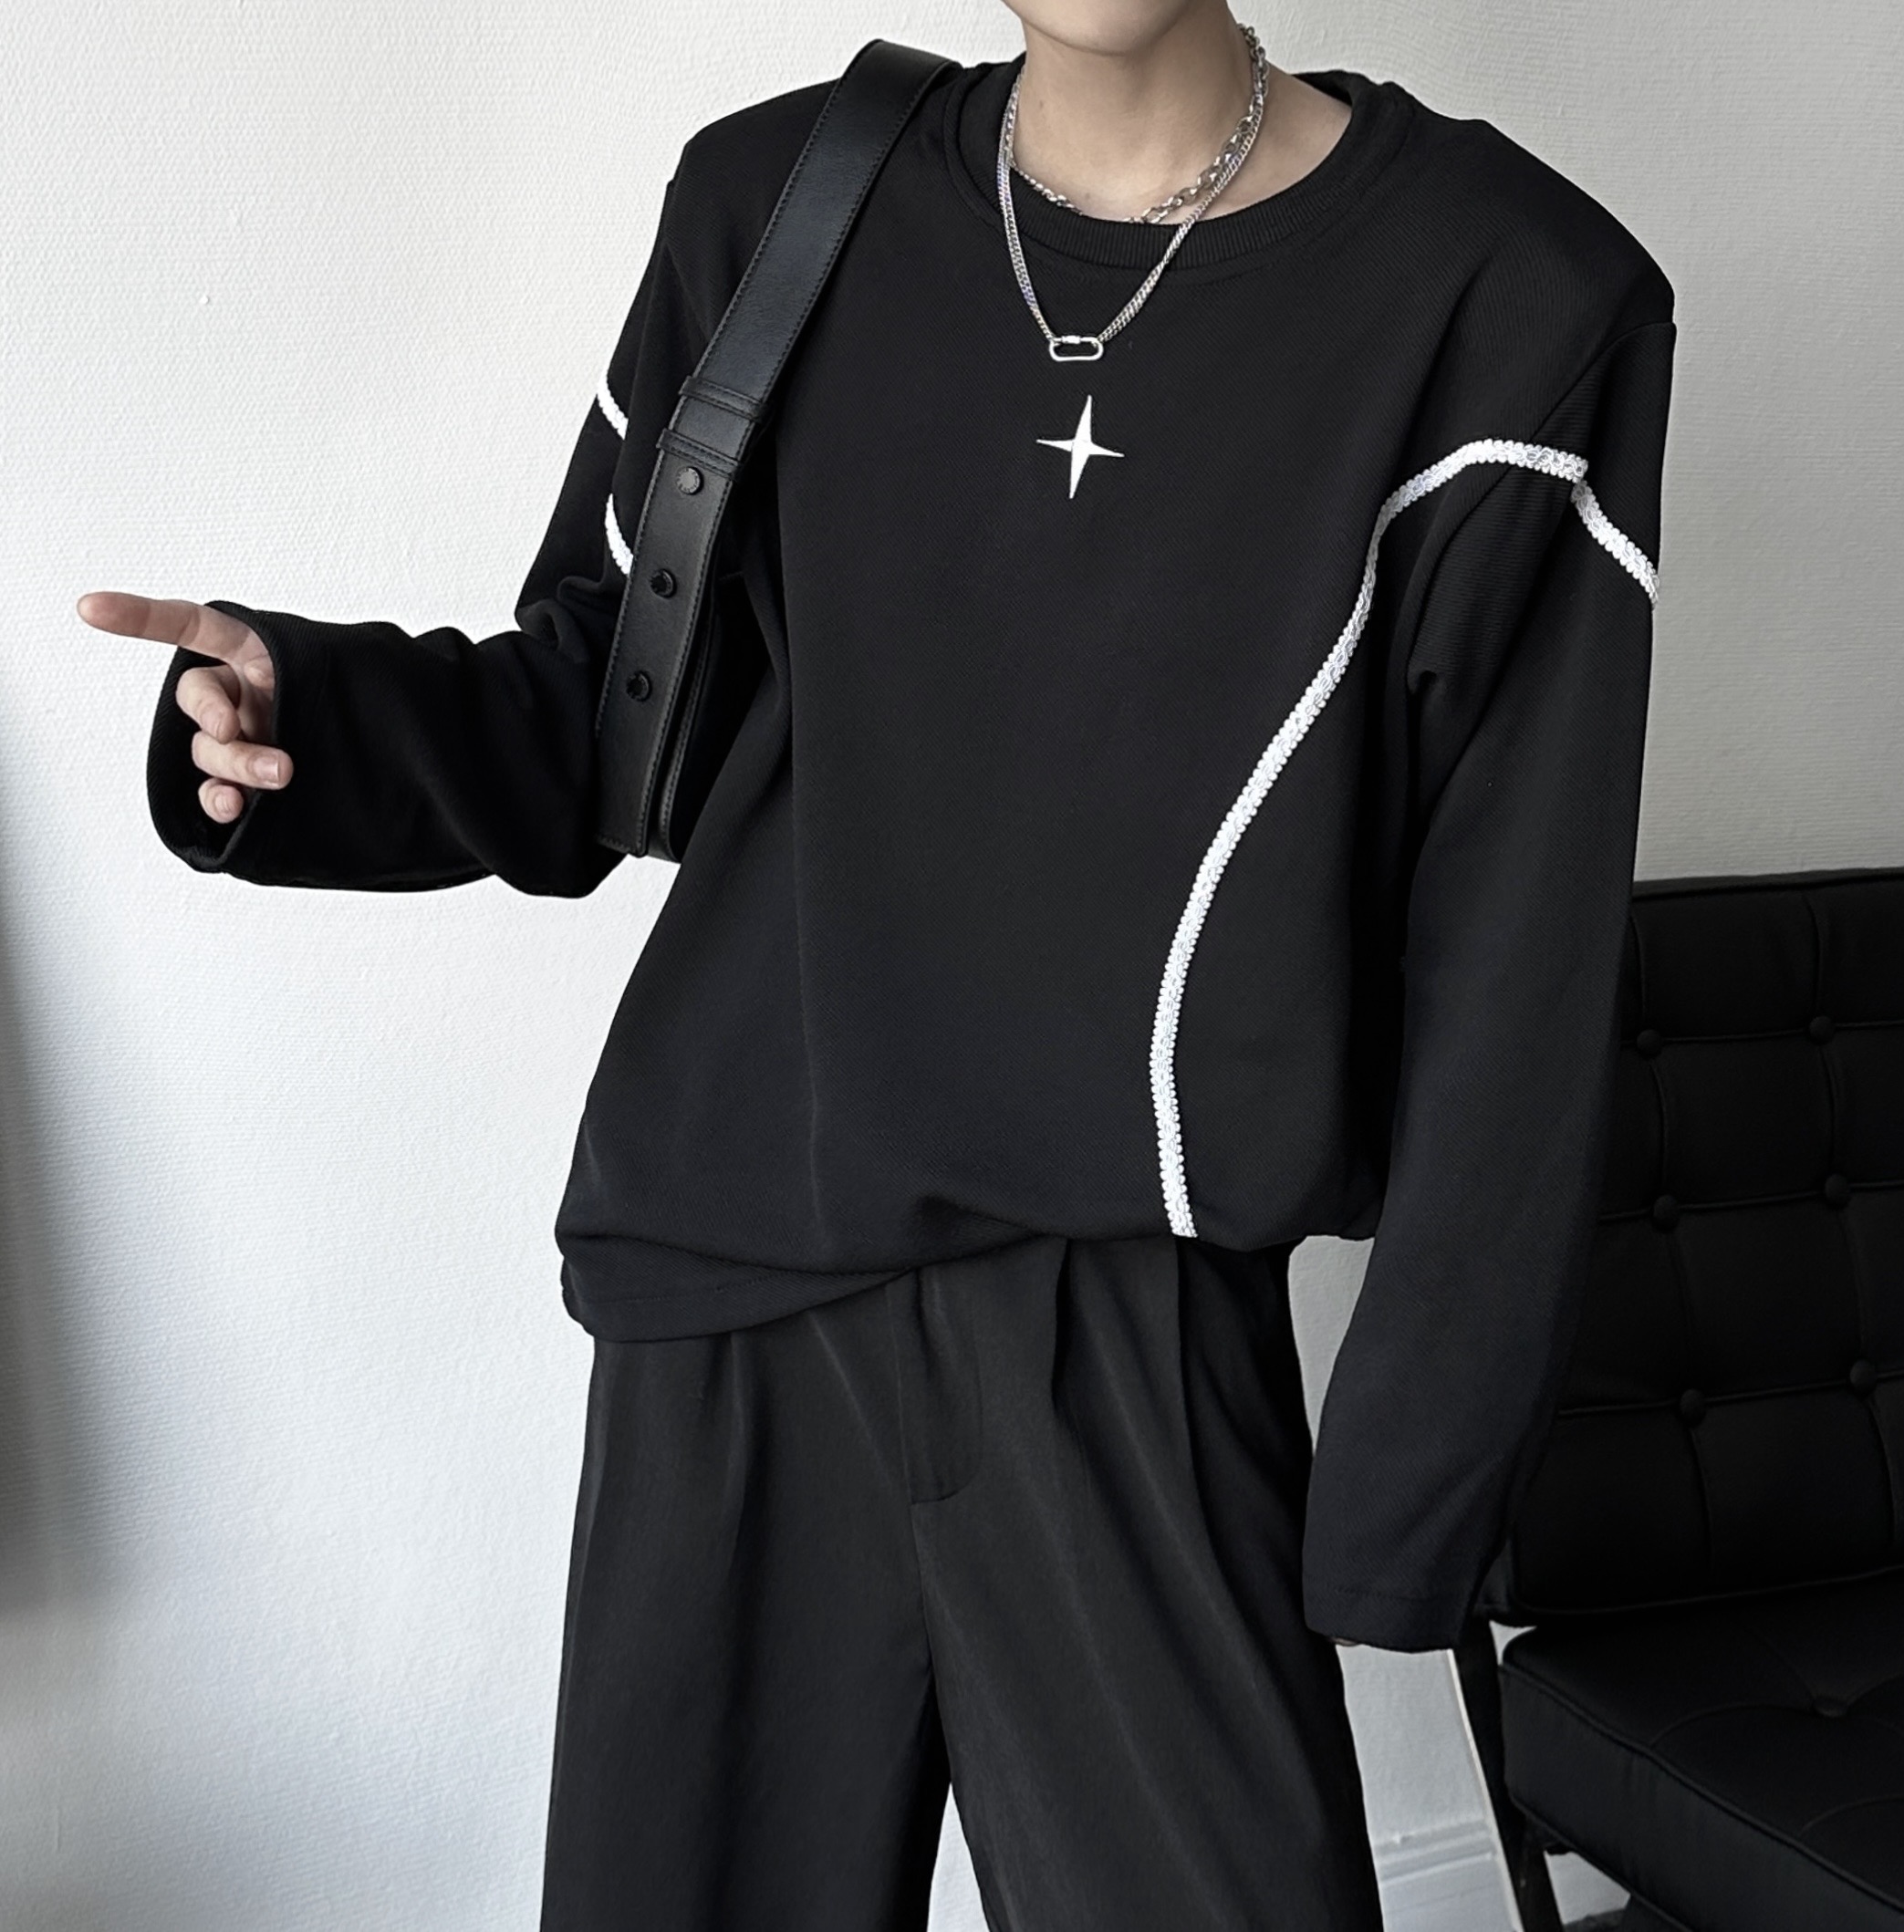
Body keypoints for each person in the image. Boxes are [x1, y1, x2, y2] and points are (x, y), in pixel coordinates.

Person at [84, 0, 1677, 1923]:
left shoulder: (1512, 302)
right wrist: (314, 725)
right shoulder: (774, 205)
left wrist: (1414, 1487)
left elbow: (1517, 959)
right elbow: (610, 721)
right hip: (729, 1255)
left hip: (1133, 1335)